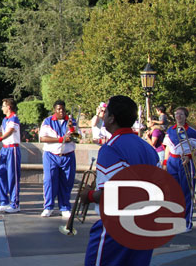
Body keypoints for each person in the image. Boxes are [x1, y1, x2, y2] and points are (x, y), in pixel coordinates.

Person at [81, 95, 159, 265]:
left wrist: (88, 196)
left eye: (106, 112)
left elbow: (111, 194)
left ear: (112, 118)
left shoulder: (110, 148)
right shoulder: (148, 148)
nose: (103, 116)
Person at [38, 100, 78, 218]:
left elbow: (77, 137)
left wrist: (71, 129)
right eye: (59, 109)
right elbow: (43, 138)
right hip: (51, 155)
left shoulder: (71, 121)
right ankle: (48, 207)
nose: (61, 111)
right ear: (54, 110)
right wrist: (61, 139)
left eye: (63, 109)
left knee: (66, 181)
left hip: (68, 155)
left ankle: (65, 207)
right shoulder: (47, 121)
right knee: (49, 180)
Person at [162, 107, 196, 232]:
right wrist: (165, 164)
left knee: (187, 192)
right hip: (172, 162)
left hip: (186, 163)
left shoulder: (192, 132)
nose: (178, 116)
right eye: (176, 114)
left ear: (185, 116)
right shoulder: (170, 130)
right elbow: (167, 148)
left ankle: (186, 222)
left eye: (181, 114)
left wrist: (189, 157)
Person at [0, 98, 21, 213]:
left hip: (12, 149)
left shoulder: (14, 118)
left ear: (9, 107)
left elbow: (9, 132)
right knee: (1, 176)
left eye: (3, 106)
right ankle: (4, 202)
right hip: (5, 149)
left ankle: (15, 204)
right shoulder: (5, 120)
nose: (2, 108)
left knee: (13, 177)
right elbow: (3, 133)